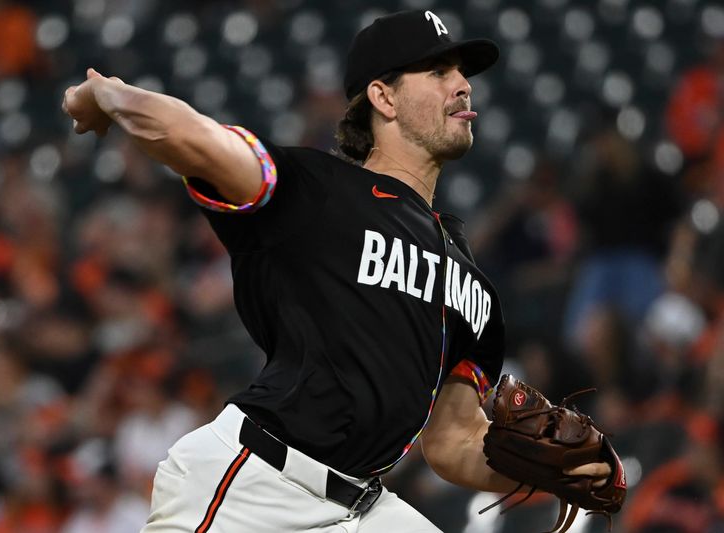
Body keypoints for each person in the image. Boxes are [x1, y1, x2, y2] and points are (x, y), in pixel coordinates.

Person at [62, 9, 611, 533]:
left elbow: (452, 442)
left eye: (463, 73)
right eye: (439, 71)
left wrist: (551, 471)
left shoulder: (476, 291)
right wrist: (108, 94)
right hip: (256, 482)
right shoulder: (315, 192)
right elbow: (198, 140)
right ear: (383, 97)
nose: (463, 85)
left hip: (362, 504)